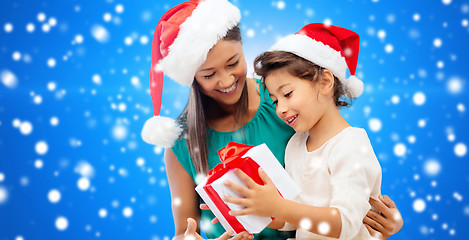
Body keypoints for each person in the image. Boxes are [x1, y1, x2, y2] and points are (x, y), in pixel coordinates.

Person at [140, 0, 403, 239]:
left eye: (233, 62)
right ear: (192, 78)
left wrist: (381, 220)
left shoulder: (283, 98)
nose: (226, 80)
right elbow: (184, 232)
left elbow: (344, 183)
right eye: (209, 74)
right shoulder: (183, 143)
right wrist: (246, 207)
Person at [221, 23, 401, 240]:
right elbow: (293, 218)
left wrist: (279, 207)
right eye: (275, 100)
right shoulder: (295, 145)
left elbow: (345, 224)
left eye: (287, 94)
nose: (281, 109)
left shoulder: (351, 145)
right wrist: (254, 206)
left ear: (325, 82)